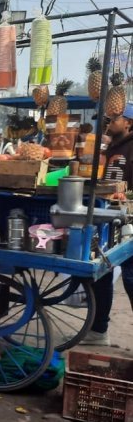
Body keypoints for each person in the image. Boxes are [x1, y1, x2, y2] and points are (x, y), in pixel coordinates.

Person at [85, 105, 133, 346]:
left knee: (131, 277)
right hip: (108, 217)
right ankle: (98, 330)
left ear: (129, 123)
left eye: (115, 118)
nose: (108, 121)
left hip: (128, 219)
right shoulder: (108, 146)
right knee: (101, 272)